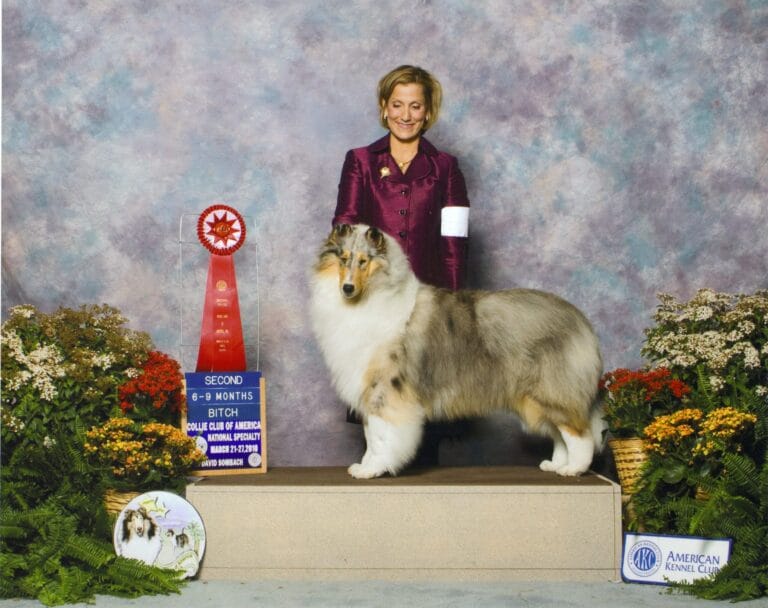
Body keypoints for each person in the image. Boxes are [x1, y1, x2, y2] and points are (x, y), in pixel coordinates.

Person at [333, 65, 471, 465]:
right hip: (373, 300)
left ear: (428, 112)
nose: (406, 115)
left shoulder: (446, 167)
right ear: (383, 108)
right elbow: (345, 227)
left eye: (415, 106)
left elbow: (455, 240)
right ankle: (378, 466)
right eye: (397, 105)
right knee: (377, 386)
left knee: (423, 389)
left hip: (426, 300)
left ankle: (425, 472)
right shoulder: (359, 161)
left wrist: (453, 302)